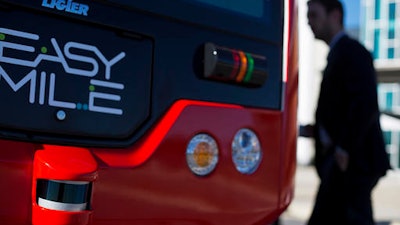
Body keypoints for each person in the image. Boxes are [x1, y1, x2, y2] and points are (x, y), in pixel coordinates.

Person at [303, 0, 392, 224]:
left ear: (335, 16)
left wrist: (344, 148)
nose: (308, 22)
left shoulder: (352, 51)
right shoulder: (339, 53)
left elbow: (366, 103)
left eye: (314, 15)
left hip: (351, 162)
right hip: (343, 160)